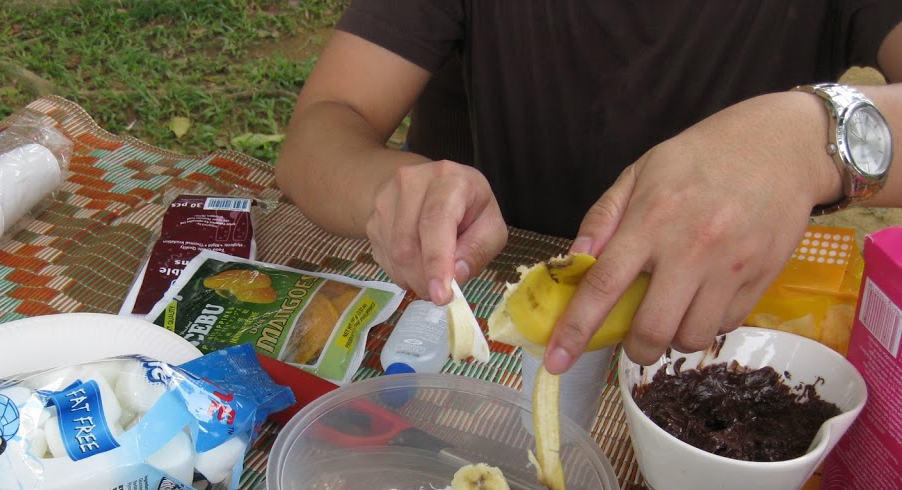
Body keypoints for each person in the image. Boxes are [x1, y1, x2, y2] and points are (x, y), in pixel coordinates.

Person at [275, 1, 902, 374]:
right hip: (477, 299)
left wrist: (807, 135)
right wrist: (394, 188)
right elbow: (318, 135)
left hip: (704, 311)